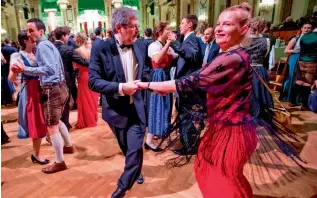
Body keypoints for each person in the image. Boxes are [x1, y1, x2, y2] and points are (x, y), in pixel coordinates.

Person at [136, 5, 304, 198]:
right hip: (224, 127)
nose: (219, 28)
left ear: (243, 29)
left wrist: (146, 85)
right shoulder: (229, 54)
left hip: (232, 131)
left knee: (220, 179)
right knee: (218, 174)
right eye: (218, 24)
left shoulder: (232, 57)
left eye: (227, 24)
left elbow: (190, 81)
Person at [88, 7, 148, 197]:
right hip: (115, 110)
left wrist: (149, 85)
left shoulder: (141, 46)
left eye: (137, 26)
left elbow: (145, 71)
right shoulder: (101, 48)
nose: (136, 30)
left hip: (138, 107)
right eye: (132, 26)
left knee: (135, 147)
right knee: (126, 146)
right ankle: (135, 171)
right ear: (119, 28)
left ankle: (123, 185)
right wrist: (121, 88)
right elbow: (93, 81)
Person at [11, 18, 74, 174]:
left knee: (51, 126)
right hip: (59, 86)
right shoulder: (47, 45)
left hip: (51, 88)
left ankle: (60, 162)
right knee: (57, 122)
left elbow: (49, 70)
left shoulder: (42, 46)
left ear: (41, 31)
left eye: (31, 30)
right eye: (27, 31)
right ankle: (68, 146)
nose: (29, 33)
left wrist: (25, 69)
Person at [8, 30, 49, 165]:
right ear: (25, 40)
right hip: (30, 92)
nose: (34, 38)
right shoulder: (17, 55)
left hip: (41, 90)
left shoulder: (37, 52)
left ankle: (40, 148)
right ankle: (37, 154)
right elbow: (11, 78)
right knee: (36, 123)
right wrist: (14, 70)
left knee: (46, 121)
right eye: (31, 37)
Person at [168, 14, 204, 156]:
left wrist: (175, 43)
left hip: (189, 86)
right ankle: (187, 143)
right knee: (183, 113)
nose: (180, 25)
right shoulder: (188, 39)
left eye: (182, 23)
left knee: (187, 115)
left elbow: (192, 56)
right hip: (185, 84)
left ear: (190, 25)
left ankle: (189, 147)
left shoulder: (192, 39)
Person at [145, 22, 178, 152]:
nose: (170, 31)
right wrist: (169, 44)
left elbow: (176, 56)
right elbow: (157, 60)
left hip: (165, 75)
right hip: (158, 77)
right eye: (168, 29)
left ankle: (159, 132)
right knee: (157, 107)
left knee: (165, 107)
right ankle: (148, 140)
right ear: (160, 32)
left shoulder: (164, 45)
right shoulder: (153, 45)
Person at [54, 26, 90, 128]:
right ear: (64, 36)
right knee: (65, 100)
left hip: (52, 78)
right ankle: (64, 123)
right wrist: (95, 62)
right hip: (66, 77)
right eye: (68, 35)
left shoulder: (51, 46)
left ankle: (58, 123)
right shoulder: (67, 48)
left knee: (56, 101)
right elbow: (81, 61)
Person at [245, 17, 273, 111]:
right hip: (259, 70)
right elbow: (266, 57)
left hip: (245, 70)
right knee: (259, 93)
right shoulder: (266, 41)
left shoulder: (242, 40)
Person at [281, 21, 313, 103]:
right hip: (295, 58)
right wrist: (296, 50)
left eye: (309, 28)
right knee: (292, 77)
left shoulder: (313, 40)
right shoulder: (296, 39)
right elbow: (286, 50)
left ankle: (298, 99)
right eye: (305, 28)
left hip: (306, 60)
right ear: (301, 29)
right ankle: (289, 97)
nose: (306, 29)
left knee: (303, 79)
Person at [74, 33, 99, 128]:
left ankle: (86, 120)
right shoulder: (92, 50)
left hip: (83, 76)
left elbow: (75, 65)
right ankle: (92, 119)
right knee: (92, 98)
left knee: (84, 99)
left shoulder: (77, 51)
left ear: (79, 40)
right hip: (93, 75)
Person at [292, 18, 317, 110]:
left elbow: (299, 48)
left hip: (301, 61)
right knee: (307, 83)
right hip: (312, 62)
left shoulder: (304, 36)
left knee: (299, 80)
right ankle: (305, 105)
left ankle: (293, 100)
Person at [1, 39, 17, 105]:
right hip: (9, 66)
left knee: (5, 81)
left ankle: (5, 99)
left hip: (4, 68)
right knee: (8, 80)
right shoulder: (14, 49)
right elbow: (3, 60)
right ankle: (11, 96)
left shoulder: (2, 49)